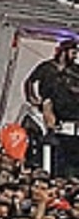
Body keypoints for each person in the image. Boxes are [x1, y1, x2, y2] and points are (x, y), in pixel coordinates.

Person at [25, 40, 79, 176]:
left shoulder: (75, 70)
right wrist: (32, 98)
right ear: (64, 52)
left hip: (72, 114)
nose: (75, 56)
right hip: (51, 110)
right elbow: (30, 82)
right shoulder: (46, 68)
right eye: (73, 52)